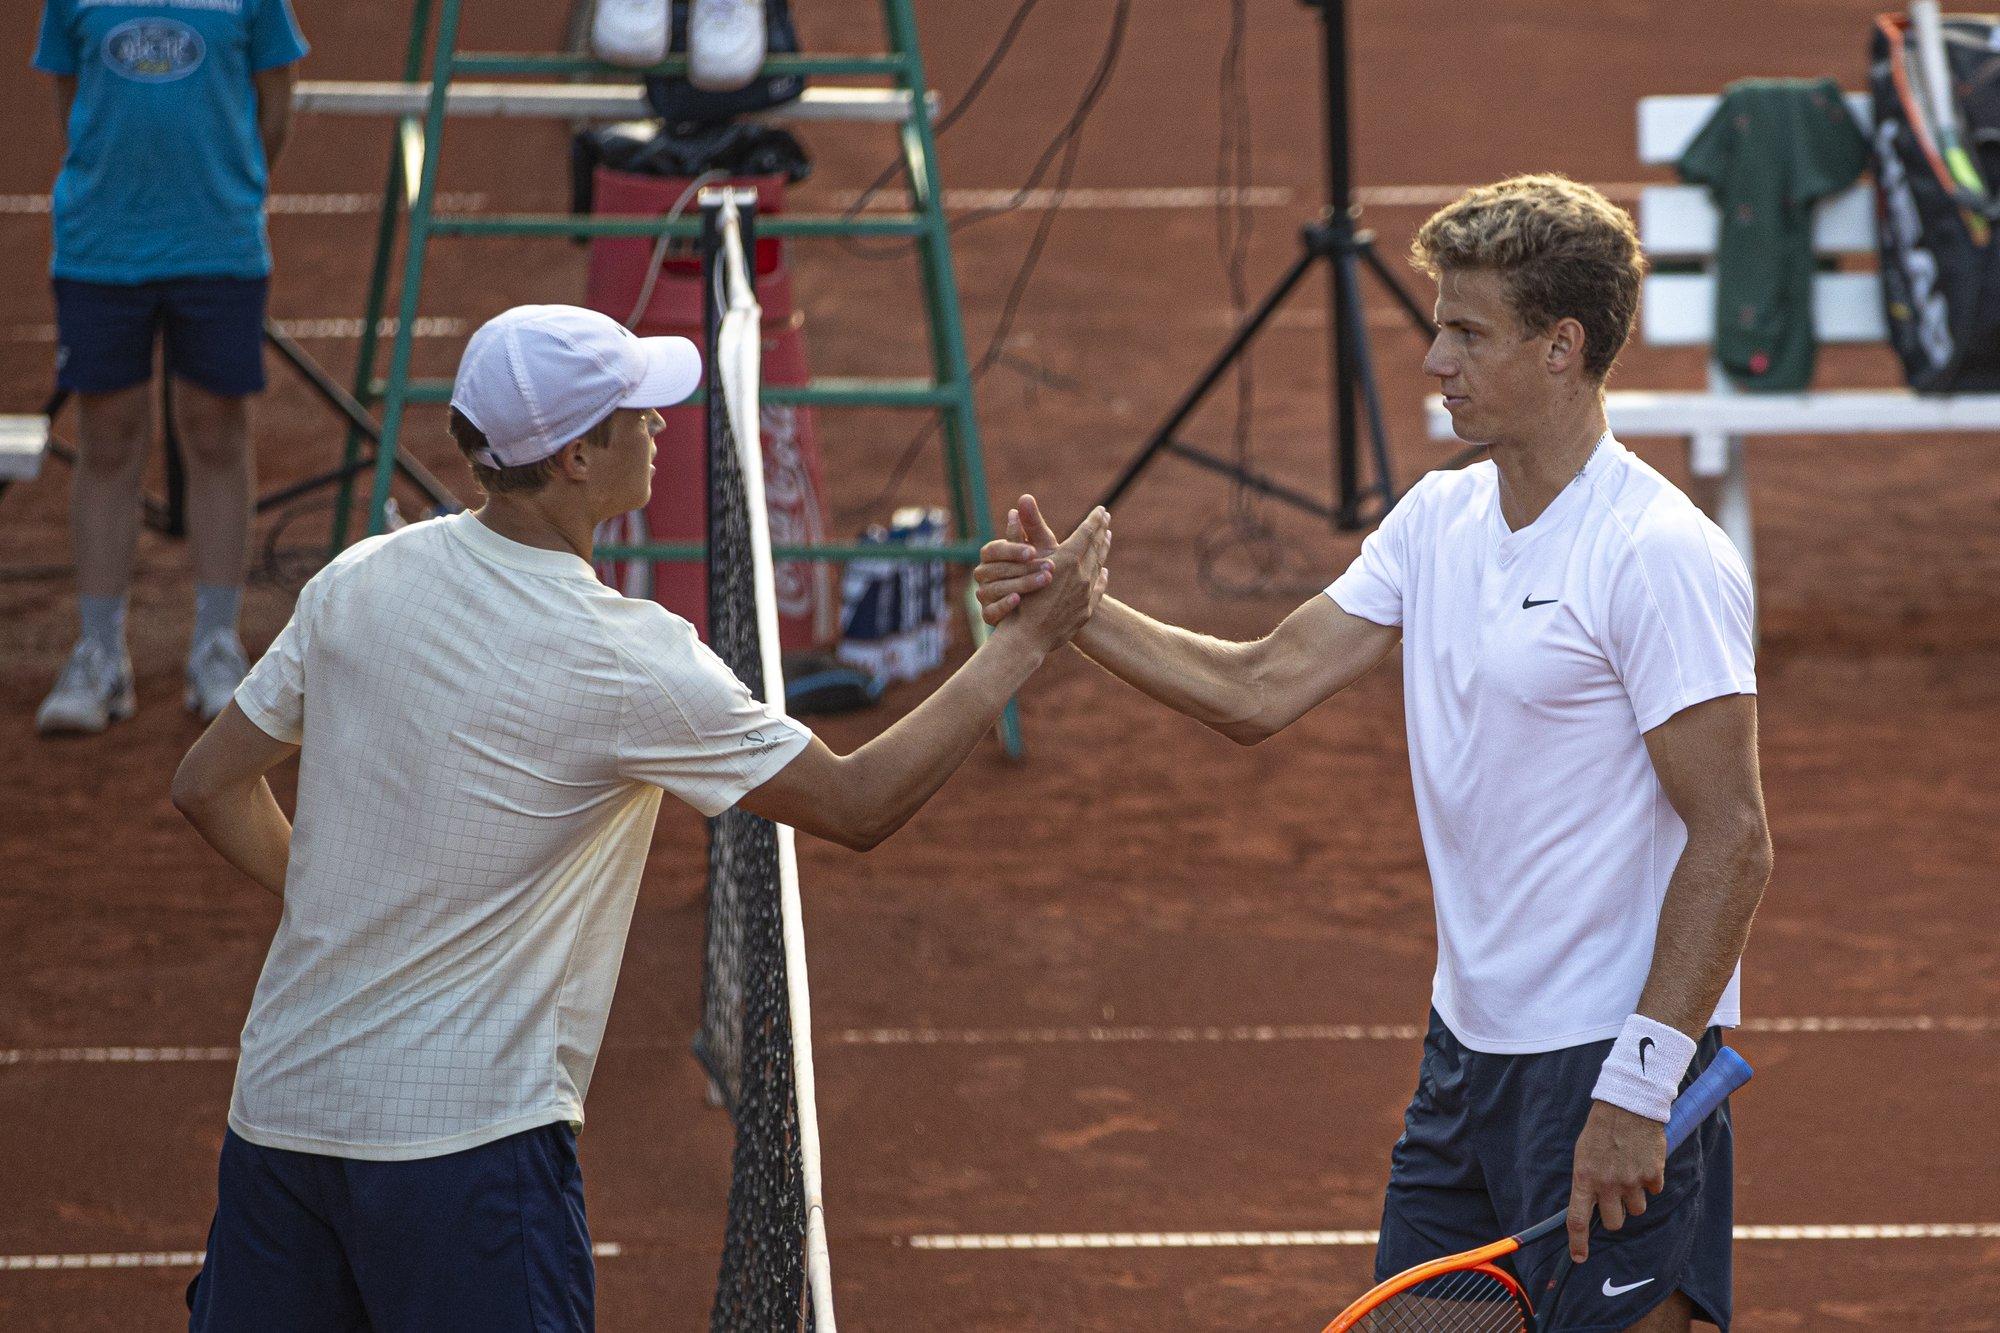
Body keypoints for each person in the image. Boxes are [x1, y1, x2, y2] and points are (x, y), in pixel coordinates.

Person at [169, 304, 1110, 1330]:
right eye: (639, 413)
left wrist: (348, 908)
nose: (662, 425)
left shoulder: (357, 579)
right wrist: (1020, 646)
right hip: (467, 1158)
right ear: (576, 456)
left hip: (282, 1117)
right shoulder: (624, 656)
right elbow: (858, 799)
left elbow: (208, 784)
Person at [976, 176, 1772, 1332]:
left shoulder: (1655, 555)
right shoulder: (1436, 520)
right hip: (1464, 1056)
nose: (1432, 360)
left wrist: (1639, 1085)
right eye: (1437, 325)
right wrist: (1075, 615)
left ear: (1561, 346)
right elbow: (1257, 686)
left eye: (1464, 332)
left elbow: (1732, 837)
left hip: (1605, 1060)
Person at [32, 0, 308, 735]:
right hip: (101, 246)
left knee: (216, 433)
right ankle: (99, 654)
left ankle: (217, 647)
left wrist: (227, 191)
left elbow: (274, 108)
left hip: (218, 245)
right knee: (108, 439)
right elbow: (73, 106)